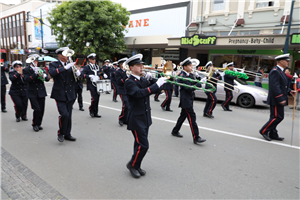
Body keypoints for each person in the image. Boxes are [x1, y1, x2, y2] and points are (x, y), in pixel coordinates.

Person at [124, 53, 167, 178]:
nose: (141, 67)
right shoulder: (129, 82)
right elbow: (139, 93)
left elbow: (156, 89)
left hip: (145, 116)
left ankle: (136, 165)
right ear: (131, 67)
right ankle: (132, 164)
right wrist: (156, 84)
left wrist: (158, 80)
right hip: (136, 118)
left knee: (139, 144)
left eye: (142, 65)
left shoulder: (142, 79)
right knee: (143, 145)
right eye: (138, 65)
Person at [259, 53, 296, 141]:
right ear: (281, 61)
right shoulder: (275, 71)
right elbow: (275, 86)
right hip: (276, 99)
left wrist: (290, 91)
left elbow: (282, 85)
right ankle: (264, 130)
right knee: (277, 117)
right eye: (286, 61)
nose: (288, 62)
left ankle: (273, 133)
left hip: (279, 98)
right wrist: (280, 98)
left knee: (276, 117)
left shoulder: (280, 71)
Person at [49, 47, 81, 142]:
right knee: (64, 114)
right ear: (60, 55)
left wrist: (79, 73)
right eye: (65, 54)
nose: (67, 56)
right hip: (59, 93)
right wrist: (64, 67)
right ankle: (61, 133)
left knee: (69, 115)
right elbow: (52, 73)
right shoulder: (53, 64)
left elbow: (77, 78)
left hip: (70, 93)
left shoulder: (71, 65)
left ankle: (67, 134)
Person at [171, 57, 206, 144]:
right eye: (190, 66)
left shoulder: (189, 75)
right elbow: (189, 88)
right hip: (186, 100)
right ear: (185, 67)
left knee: (182, 116)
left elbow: (194, 84)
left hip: (189, 99)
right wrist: (198, 83)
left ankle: (175, 131)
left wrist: (199, 79)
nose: (192, 67)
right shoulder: (182, 76)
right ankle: (196, 137)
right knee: (192, 118)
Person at [23, 54, 50, 132]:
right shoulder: (26, 70)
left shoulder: (41, 68)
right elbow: (27, 80)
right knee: (37, 109)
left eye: (37, 60)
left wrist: (44, 75)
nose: (37, 62)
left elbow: (47, 79)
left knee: (41, 109)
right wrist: (35, 74)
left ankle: (39, 124)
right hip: (32, 92)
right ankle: (34, 124)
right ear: (32, 61)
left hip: (41, 91)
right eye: (35, 60)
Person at [81, 53, 106, 118]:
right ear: (89, 60)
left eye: (95, 59)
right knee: (94, 99)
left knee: (97, 98)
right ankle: (91, 110)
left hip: (98, 84)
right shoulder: (87, 67)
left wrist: (103, 74)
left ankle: (96, 112)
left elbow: (100, 72)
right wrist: (89, 76)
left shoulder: (97, 66)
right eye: (92, 59)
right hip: (91, 84)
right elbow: (82, 74)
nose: (94, 60)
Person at [115, 57, 128, 126]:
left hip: (129, 90)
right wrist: (126, 75)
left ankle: (126, 119)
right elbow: (119, 82)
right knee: (126, 105)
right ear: (121, 64)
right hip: (122, 90)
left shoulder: (129, 71)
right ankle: (121, 118)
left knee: (129, 106)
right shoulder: (118, 72)